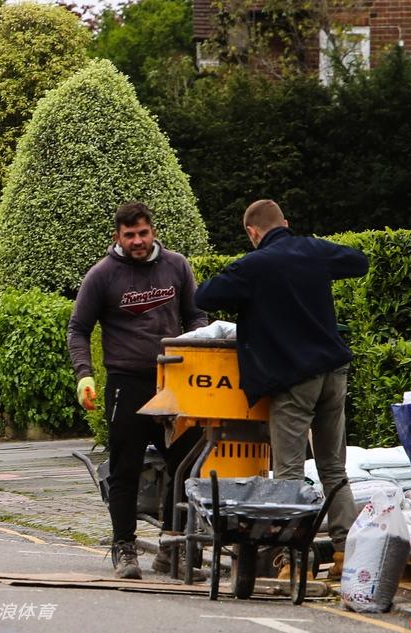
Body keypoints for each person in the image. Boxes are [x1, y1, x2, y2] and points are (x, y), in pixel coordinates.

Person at [193, 199, 369, 577]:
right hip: (335, 372)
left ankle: (293, 562)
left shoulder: (253, 265)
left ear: (252, 233)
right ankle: (347, 554)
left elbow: (203, 296)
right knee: (333, 469)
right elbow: (359, 261)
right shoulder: (313, 249)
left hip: (294, 380)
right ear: (285, 223)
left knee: (288, 472)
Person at [68, 201, 207, 579]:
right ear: (117, 237)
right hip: (126, 384)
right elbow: (78, 328)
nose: (138, 241)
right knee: (126, 468)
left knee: (184, 465)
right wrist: (85, 374)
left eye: (143, 233)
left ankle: (173, 546)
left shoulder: (177, 266)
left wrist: (196, 346)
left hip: (175, 383)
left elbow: (196, 315)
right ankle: (124, 549)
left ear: (153, 232)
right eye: (129, 235)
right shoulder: (102, 275)